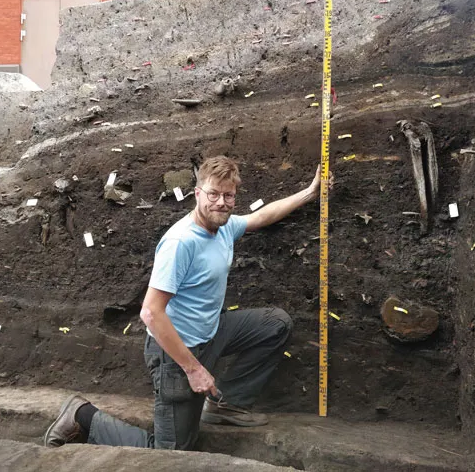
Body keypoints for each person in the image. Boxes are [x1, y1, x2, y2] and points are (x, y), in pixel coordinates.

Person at [44, 156, 331, 451]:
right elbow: (150, 312)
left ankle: (225, 405)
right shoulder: (181, 243)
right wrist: (194, 369)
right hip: (176, 353)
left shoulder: (224, 227)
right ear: (197, 194)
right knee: (172, 452)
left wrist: (310, 192)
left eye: (228, 195)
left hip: (210, 333)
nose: (221, 202)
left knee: (276, 324)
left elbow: (260, 217)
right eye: (213, 194)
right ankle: (82, 416)